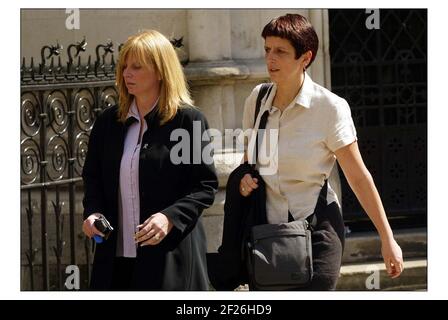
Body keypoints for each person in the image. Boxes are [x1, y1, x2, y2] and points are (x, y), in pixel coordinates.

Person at [239, 14, 404, 290]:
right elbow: (249, 158)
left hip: (317, 232)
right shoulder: (256, 100)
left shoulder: (330, 108)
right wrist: (244, 175)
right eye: (267, 49)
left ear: (305, 58)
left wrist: (387, 238)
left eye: (280, 51)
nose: (270, 59)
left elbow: (359, 177)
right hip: (266, 235)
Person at [81, 30, 218, 290]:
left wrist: (169, 218)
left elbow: (203, 186)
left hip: (169, 259)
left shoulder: (187, 121)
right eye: (124, 67)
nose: (126, 74)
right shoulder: (108, 122)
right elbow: (93, 177)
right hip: (115, 260)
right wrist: (92, 212)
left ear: (160, 71)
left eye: (136, 67)